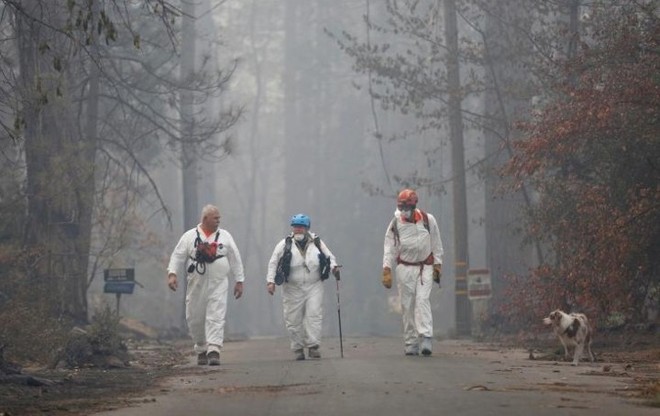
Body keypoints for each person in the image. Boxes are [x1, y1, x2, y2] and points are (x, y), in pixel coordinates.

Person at [167, 204, 245, 366]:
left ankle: (214, 349)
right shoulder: (189, 236)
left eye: (219, 218)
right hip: (196, 282)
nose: (218, 221)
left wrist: (239, 280)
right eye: (215, 218)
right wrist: (172, 274)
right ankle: (201, 348)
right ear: (205, 219)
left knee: (216, 313)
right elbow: (178, 256)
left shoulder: (225, 236)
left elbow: (234, 258)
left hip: (219, 282)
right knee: (195, 316)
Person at [266, 214, 340, 361]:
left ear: (307, 228)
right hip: (292, 287)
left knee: (314, 315)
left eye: (301, 227)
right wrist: (270, 281)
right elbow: (273, 262)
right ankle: (298, 347)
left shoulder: (317, 242)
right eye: (295, 227)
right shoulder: (284, 244)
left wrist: (334, 268)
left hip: (314, 285)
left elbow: (330, 257)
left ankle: (313, 346)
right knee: (293, 319)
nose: (298, 230)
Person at [382, 189, 443, 356]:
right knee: (407, 305)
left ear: (414, 205)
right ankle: (410, 341)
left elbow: (436, 243)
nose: (404, 211)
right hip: (405, 268)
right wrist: (387, 268)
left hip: (425, 267)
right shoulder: (395, 224)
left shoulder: (427, 220)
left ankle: (426, 337)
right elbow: (389, 248)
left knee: (422, 300)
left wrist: (438, 264)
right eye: (401, 207)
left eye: (407, 207)